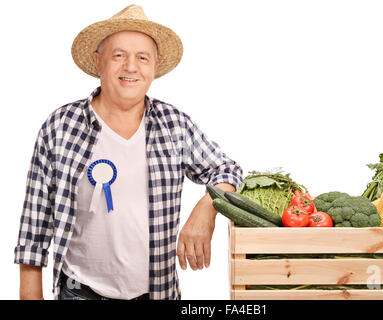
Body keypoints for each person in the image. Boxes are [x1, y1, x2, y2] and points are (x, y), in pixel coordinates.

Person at [14, 4, 243, 300]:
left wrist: (207, 208)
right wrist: (29, 291)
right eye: (118, 55)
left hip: (156, 293)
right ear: (99, 62)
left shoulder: (175, 125)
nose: (131, 67)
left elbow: (228, 170)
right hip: (78, 293)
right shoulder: (59, 126)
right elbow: (36, 216)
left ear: (154, 66)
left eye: (142, 57)